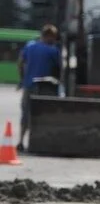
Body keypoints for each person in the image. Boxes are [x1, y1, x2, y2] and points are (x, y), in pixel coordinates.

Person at [17, 24, 60, 152]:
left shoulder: (29, 46)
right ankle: (37, 143)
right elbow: (59, 68)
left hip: (28, 86)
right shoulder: (53, 50)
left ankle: (20, 141)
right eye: (53, 37)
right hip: (45, 87)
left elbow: (20, 62)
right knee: (41, 116)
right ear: (49, 36)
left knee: (25, 114)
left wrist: (22, 79)